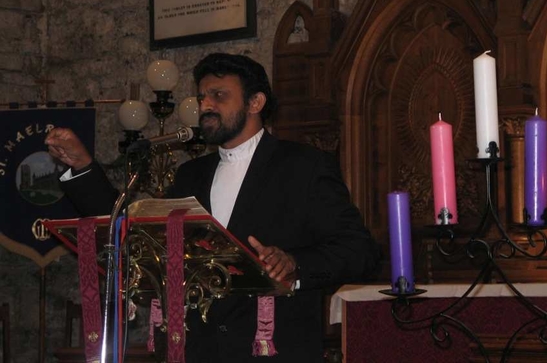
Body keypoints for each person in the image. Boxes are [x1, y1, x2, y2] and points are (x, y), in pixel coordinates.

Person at [46, 52, 379, 363]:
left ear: (255, 102)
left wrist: (295, 264)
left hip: (272, 351)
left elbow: (359, 250)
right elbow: (134, 237)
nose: (205, 105)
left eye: (219, 96)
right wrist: (83, 168)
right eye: (202, 97)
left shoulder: (303, 167)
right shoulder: (191, 175)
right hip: (198, 351)